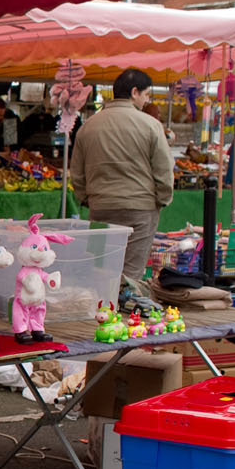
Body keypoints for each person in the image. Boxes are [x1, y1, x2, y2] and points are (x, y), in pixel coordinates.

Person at [68, 68, 174, 309]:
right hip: (139, 207)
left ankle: (95, 315)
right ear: (134, 92)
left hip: (100, 208)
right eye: (146, 94)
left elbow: (77, 172)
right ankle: (125, 327)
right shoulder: (150, 125)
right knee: (132, 273)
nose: (147, 100)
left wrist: (86, 198)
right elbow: (164, 170)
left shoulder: (88, 126)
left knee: (98, 266)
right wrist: (162, 199)